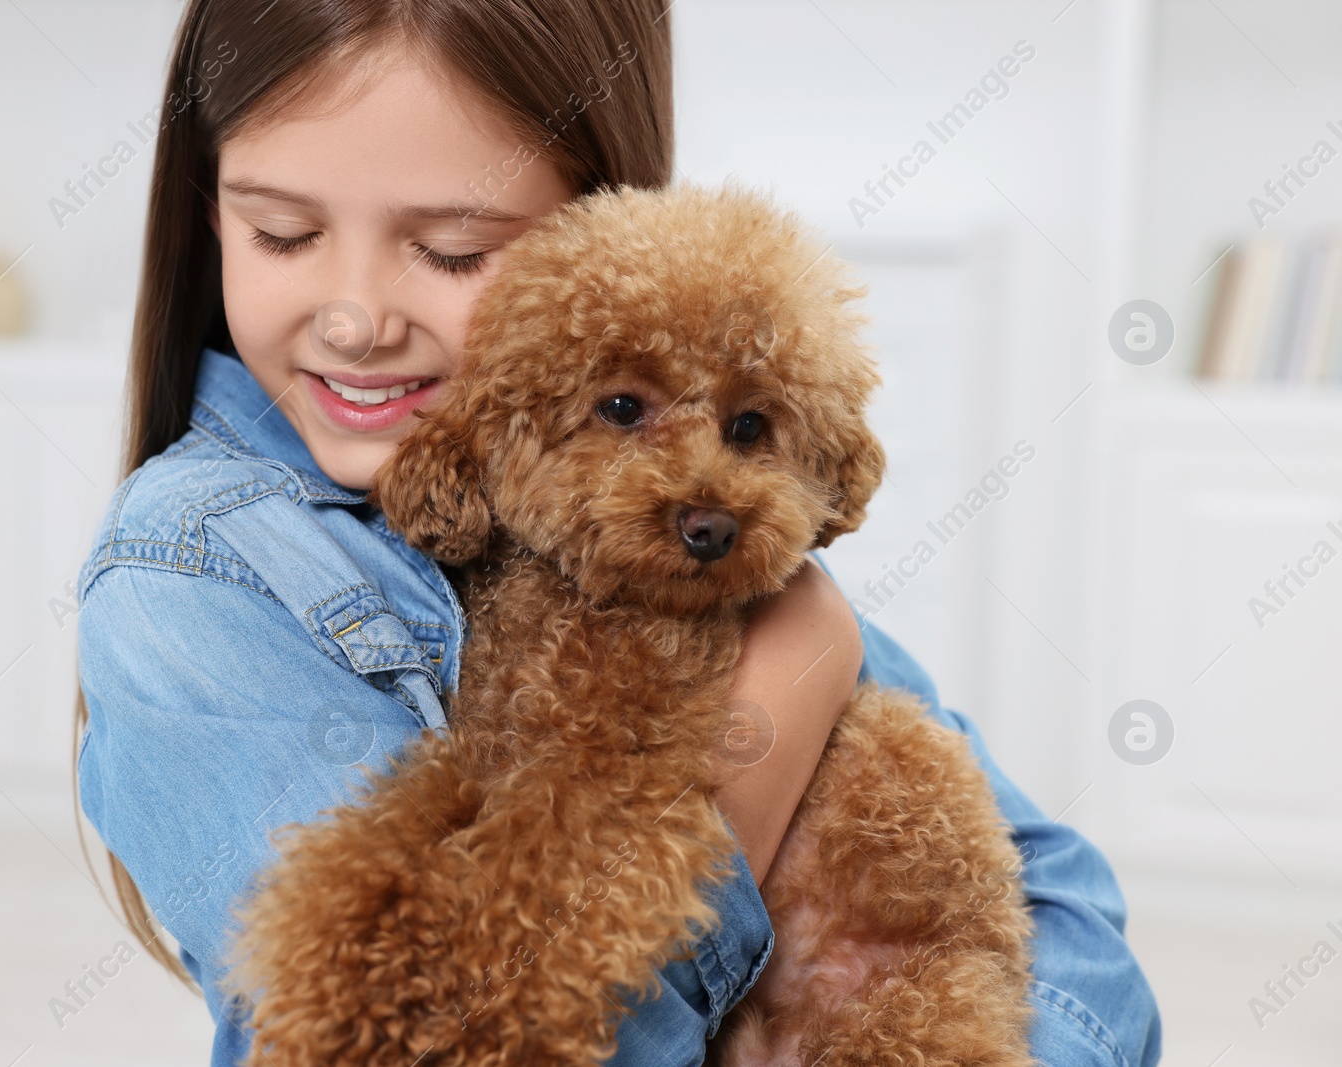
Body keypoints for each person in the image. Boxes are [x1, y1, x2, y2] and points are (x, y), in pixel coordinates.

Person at [73, 2, 1163, 1064]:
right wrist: (776, 703)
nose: (357, 317)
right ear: (207, 209)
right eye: (284, 232)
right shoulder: (191, 574)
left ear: (595, 222)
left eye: (454, 251)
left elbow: (1073, 928)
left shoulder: (679, 540)